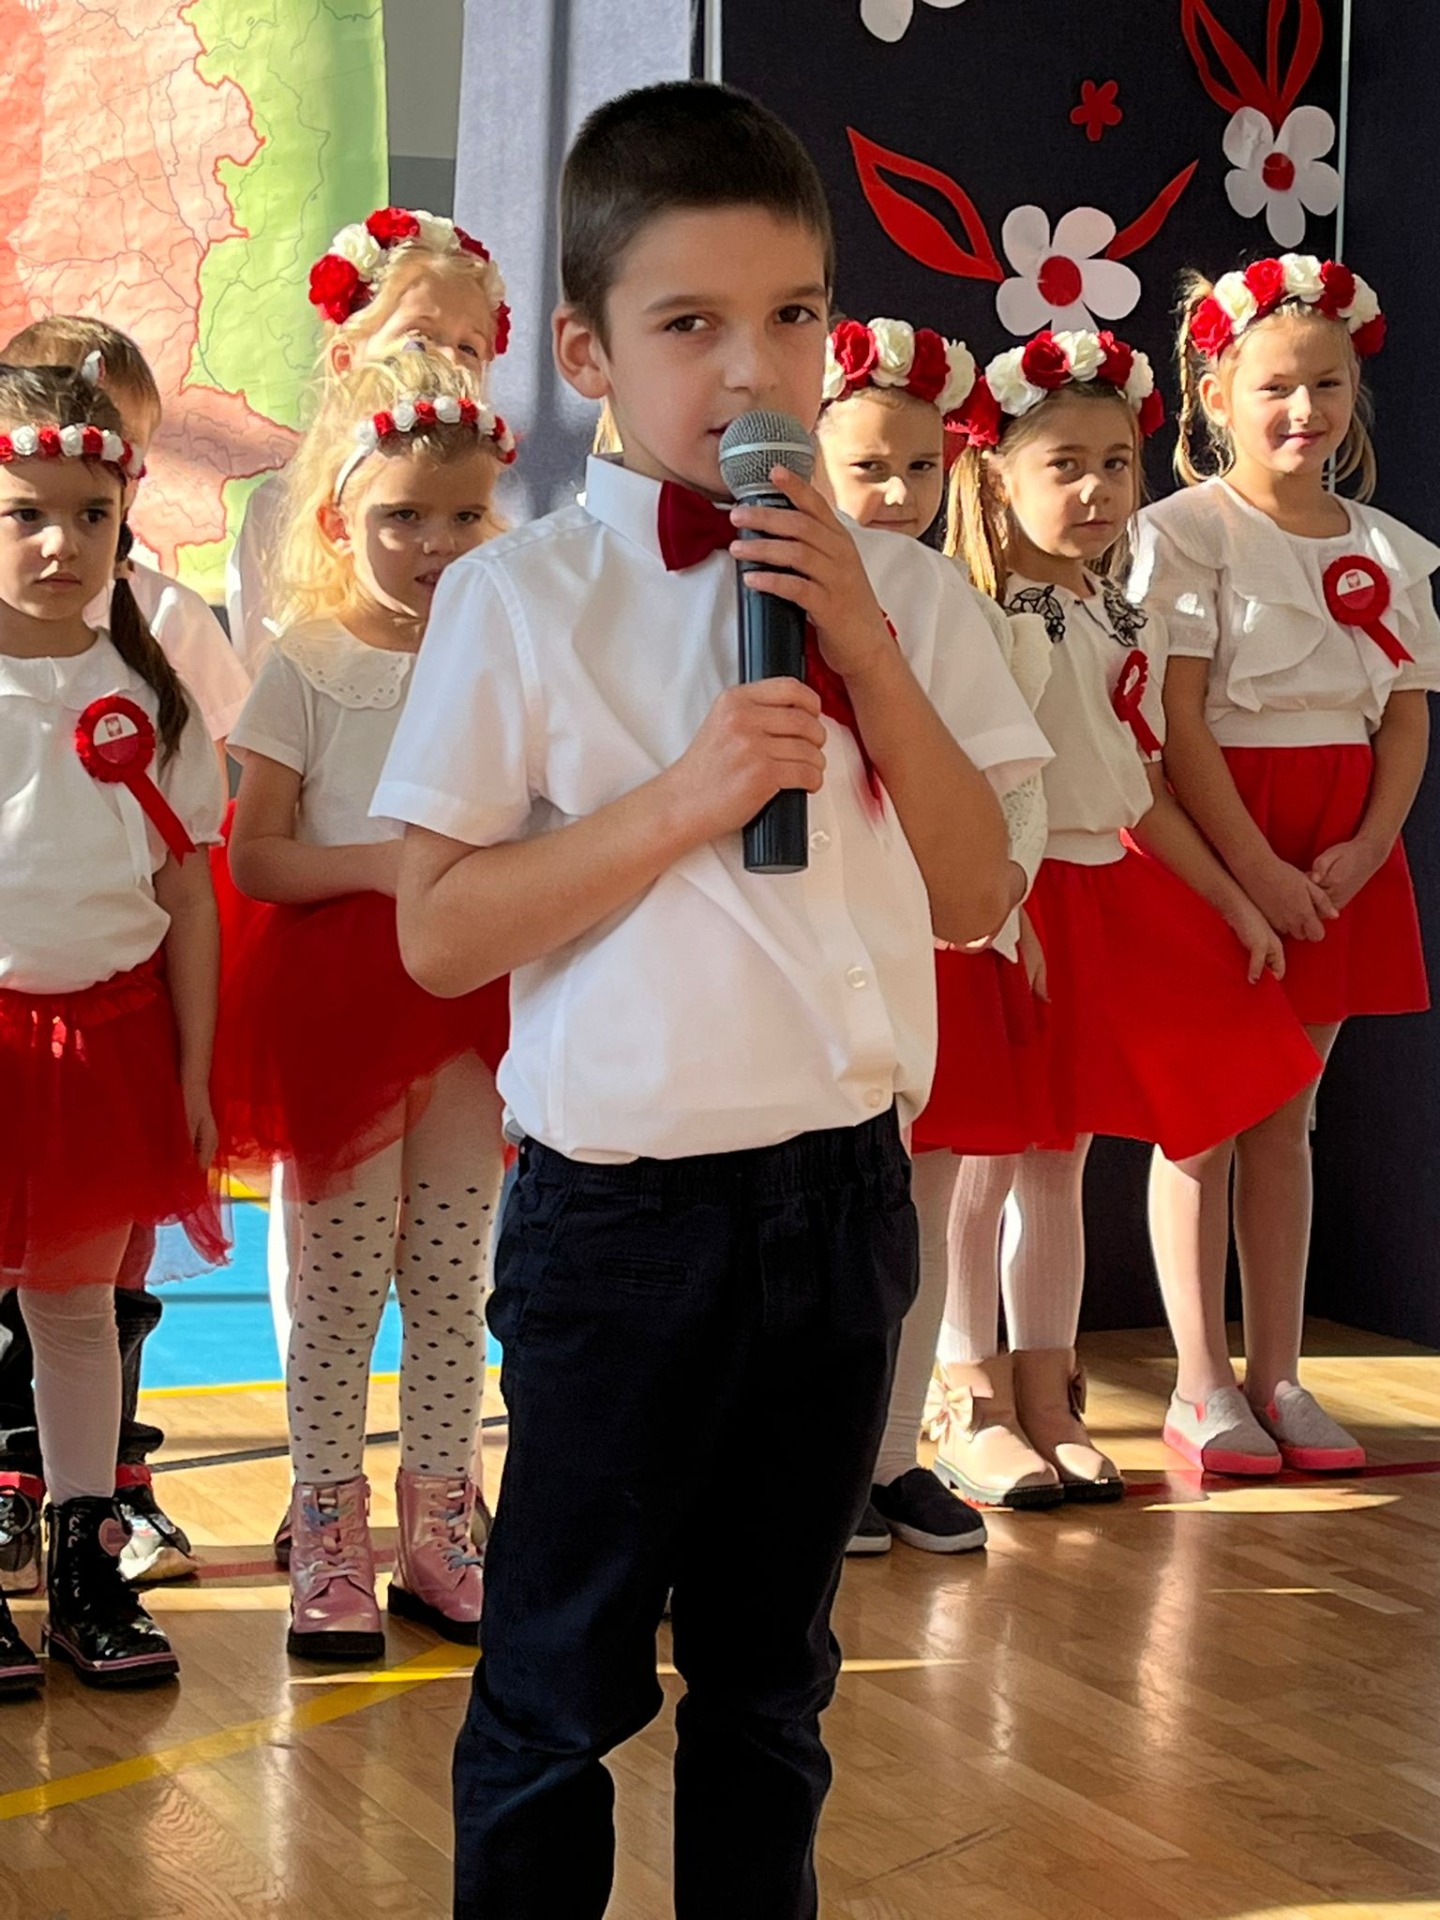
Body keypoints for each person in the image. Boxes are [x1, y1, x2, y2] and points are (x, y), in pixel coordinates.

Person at [374, 81, 1053, 1919]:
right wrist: (683, 801)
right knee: (559, 1687)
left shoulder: (907, 592)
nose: (754, 370)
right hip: (623, 1227)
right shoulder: (519, 601)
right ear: (586, 353)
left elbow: (981, 892)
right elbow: (439, 934)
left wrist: (869, 656)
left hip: (841, 1201)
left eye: (792, 316)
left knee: (773, 1685)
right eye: (690, 324)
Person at [929, 326, 1324, 1509]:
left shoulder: (1122, 608)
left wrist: (1230, 897)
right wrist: (998, 906)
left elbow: (1138, 784)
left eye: (1116, 463)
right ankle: (969, 1398)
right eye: (1065, 465)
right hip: (1011, 900)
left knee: (1060, 1163)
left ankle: (1051, 1396)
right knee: (981, 1164)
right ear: (995, 471)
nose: (1098, 488)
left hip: (1102, 892)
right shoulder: (968, 612)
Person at [216, 352, 512, 1660]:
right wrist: (385, 869)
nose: (434, 543)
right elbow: (256, 856)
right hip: (342, 997)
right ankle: (327, 1530)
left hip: (465, 997)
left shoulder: (502, 653)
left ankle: (441, 1529)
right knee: (337, 1285)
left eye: (462, 516)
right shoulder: (310, 662)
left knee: (450, 1275)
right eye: (402, 516)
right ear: (344, 520)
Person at [1135, 253, 1438, 1472]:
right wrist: (1256, 869)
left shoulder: (1389, 550)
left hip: (1340, 852)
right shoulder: (1185, 535)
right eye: (1275, 386)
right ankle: (1198, 1382)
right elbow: (1178, 718)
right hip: (1227, 841)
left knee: (1286, 1118)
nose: (1304, 409)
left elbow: (1405, 718)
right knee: (1203, 1122)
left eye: (1327, 384)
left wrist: (1369, 844)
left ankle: (1280, 1375)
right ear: (1215, 395)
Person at [0, 315, 251, 1595]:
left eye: (89, 516)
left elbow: (187, 896)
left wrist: (192, 1073)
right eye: (25, 515)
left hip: (105, 1050)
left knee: (76, 1311)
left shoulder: (152, 697)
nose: (61, 543)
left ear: (124, 520)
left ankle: (86, 1559)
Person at [812, 313, 1048, 1554]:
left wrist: (1005, 895)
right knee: (829, 1214)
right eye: (870, 467)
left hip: (940, 948)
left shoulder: (943, 596)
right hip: (819, 957)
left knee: (917, 1210)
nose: (900, 493)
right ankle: (815, 1467)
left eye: (922, 467)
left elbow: (1013, 778)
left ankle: (891, 1453)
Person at [226, 204, 509, 676]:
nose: (449, 361)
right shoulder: (277, 510)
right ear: (345, 360)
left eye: (469, 347)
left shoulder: (496, 506)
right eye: (419, 338)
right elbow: (262, 678)